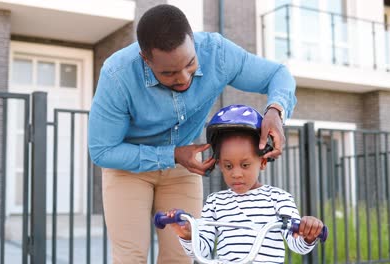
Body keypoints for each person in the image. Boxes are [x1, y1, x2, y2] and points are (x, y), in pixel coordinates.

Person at [88, 4, 297, 264]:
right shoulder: (117, 75)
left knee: (183, 255)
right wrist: (172, 154)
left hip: (181, 171)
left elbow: (278, 74)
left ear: (193, 43)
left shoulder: (217, 53)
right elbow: (102, 150)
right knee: (130, 258)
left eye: (190, 64)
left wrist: (275, 110)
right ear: (146, 59)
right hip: (129, 169)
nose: (184, 77)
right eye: (169, 73)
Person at [165, 105, 323, 263]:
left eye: (245, 165)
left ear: (262, 162)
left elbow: (297, 244)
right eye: (228, 166)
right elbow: (203, 250)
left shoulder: (278, 198)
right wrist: (188, 234)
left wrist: (307, 234)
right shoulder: (215, 202)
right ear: (219, 164)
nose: (236, 173)